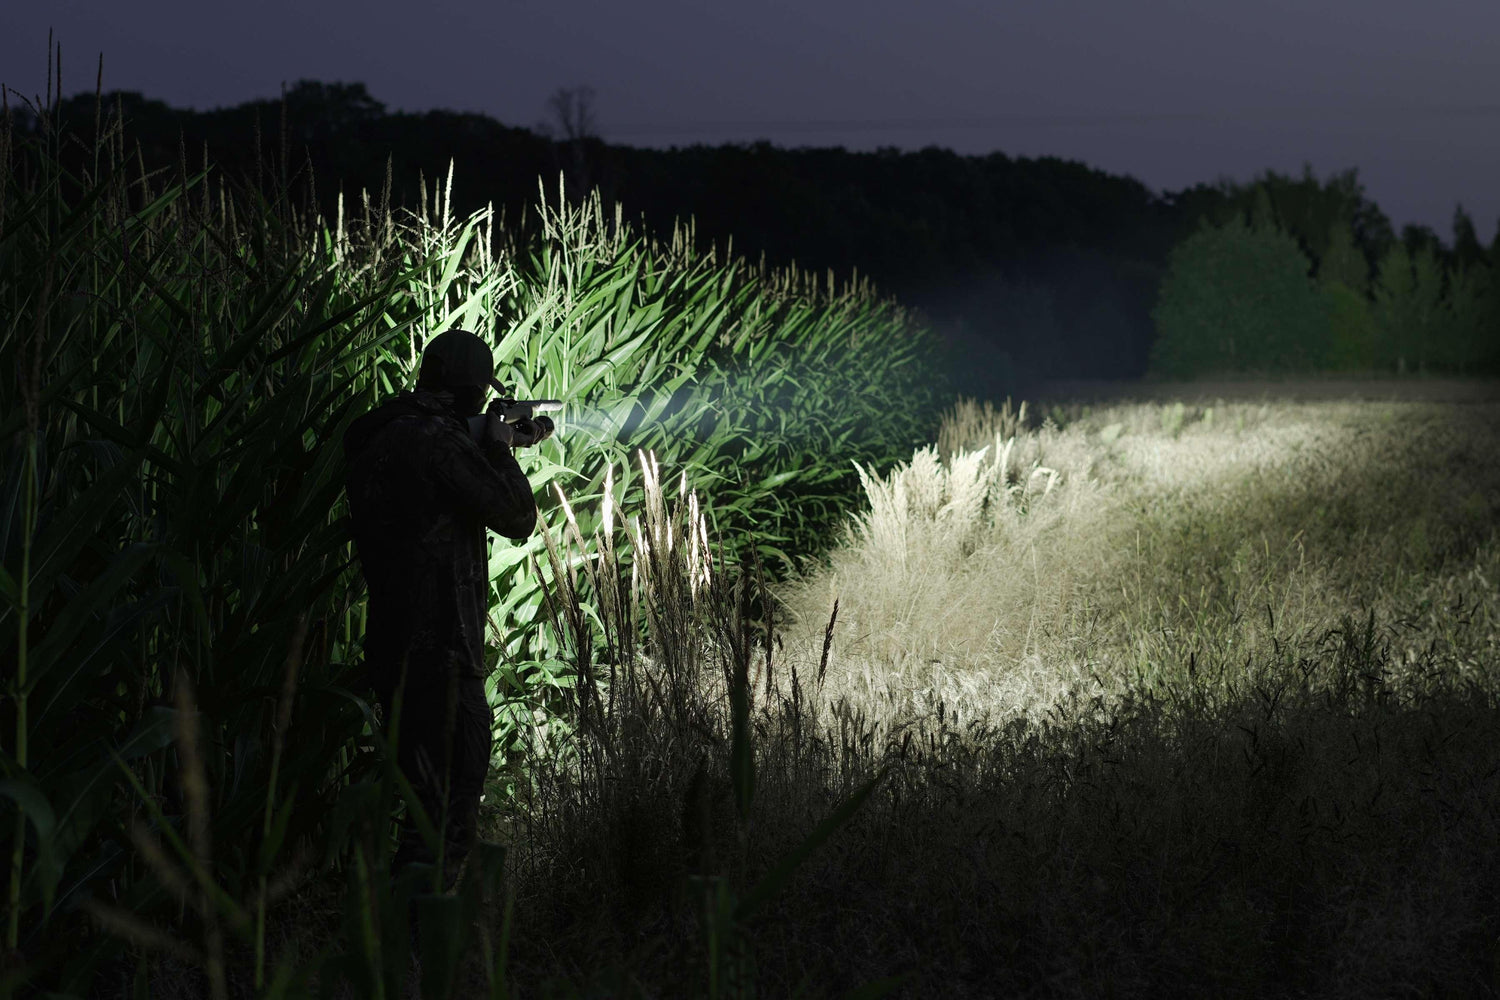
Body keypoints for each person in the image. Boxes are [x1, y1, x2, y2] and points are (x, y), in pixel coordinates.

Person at [343, 328, 551, 887]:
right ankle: (423, 949)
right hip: (439, 654)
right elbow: (516, 516)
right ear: (473, 393)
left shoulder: (376, 435)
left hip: (391, 649)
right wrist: (499, 446)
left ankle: (402, 947)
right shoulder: (439, 441)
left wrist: (484, 438)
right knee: (445, 819)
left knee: (420, 811)